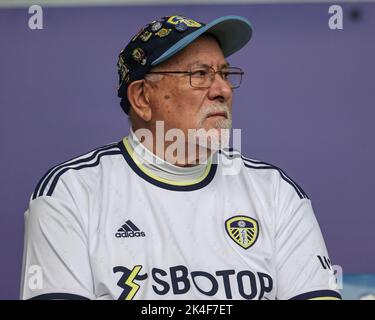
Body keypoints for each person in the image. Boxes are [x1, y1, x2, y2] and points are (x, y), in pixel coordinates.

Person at [20, 15, 341, 300]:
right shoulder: (71, 192)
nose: (223, 90)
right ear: (143, 97)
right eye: (200, 74)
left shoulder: (275, 191)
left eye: (225, 74)